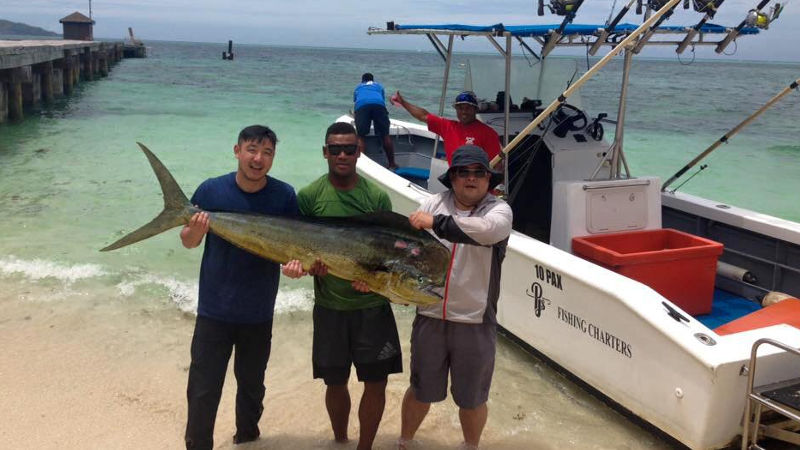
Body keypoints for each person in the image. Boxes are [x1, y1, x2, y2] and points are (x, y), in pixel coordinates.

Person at [282, 122, 403, 450]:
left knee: (376, 383)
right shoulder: (309, 197)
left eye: (349, 149)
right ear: (325, 152)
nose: (342, 155)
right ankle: (340, 442)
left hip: (372, 309)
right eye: (335, 149)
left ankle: (364, 447)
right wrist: (305, 269)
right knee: (334, 383)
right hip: (331, 308)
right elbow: (299, 249)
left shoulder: (376, 196)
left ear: (359, 151)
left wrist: (377, 283)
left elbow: (386, 254)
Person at [181, 125, 298, 449]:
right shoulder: (210, 191)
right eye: (252, 150)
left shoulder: (284, 196)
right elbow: (188, 242)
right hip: (214, 311)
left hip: (258, 312)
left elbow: (291, 252)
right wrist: (197, 231)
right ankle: (197, 444)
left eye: (267, 153)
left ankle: (247, 438)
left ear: (273, 158)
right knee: (203, 387)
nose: (258, 158)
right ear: (237, 151)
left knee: (252, 386)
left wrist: (294, 268)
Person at [399, 144, 512, 450]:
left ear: (489, 180)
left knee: (472, 397)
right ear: (453, 178)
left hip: (475, 320)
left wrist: (436, 223)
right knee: (420, 389)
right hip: (429, 315)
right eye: (463, 173)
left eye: (479, 173)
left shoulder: (499, 211)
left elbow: (486, 231)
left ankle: (470, 446)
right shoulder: (432, 203)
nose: (471, 179)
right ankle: (405, 441)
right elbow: (413, 254)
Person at [392, 90, 502, 165]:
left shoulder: (488, 133)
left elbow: (496, 164)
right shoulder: (448, 127)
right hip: (456, 183)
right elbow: (423, 116)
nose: (464, 112)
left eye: (468, 108)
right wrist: (403, 102)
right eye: (460, 108)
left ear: (475, 110)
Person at [354, 72, 398, 169]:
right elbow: (381, 101)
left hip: (362, 106)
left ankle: (362, 166)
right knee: (385, 135)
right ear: (373, 80)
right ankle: (392, 164)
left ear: (362, 80)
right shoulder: (379, 86)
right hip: (379, 106)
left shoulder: (358, 87)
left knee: (361, 136)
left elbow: (357, 102)